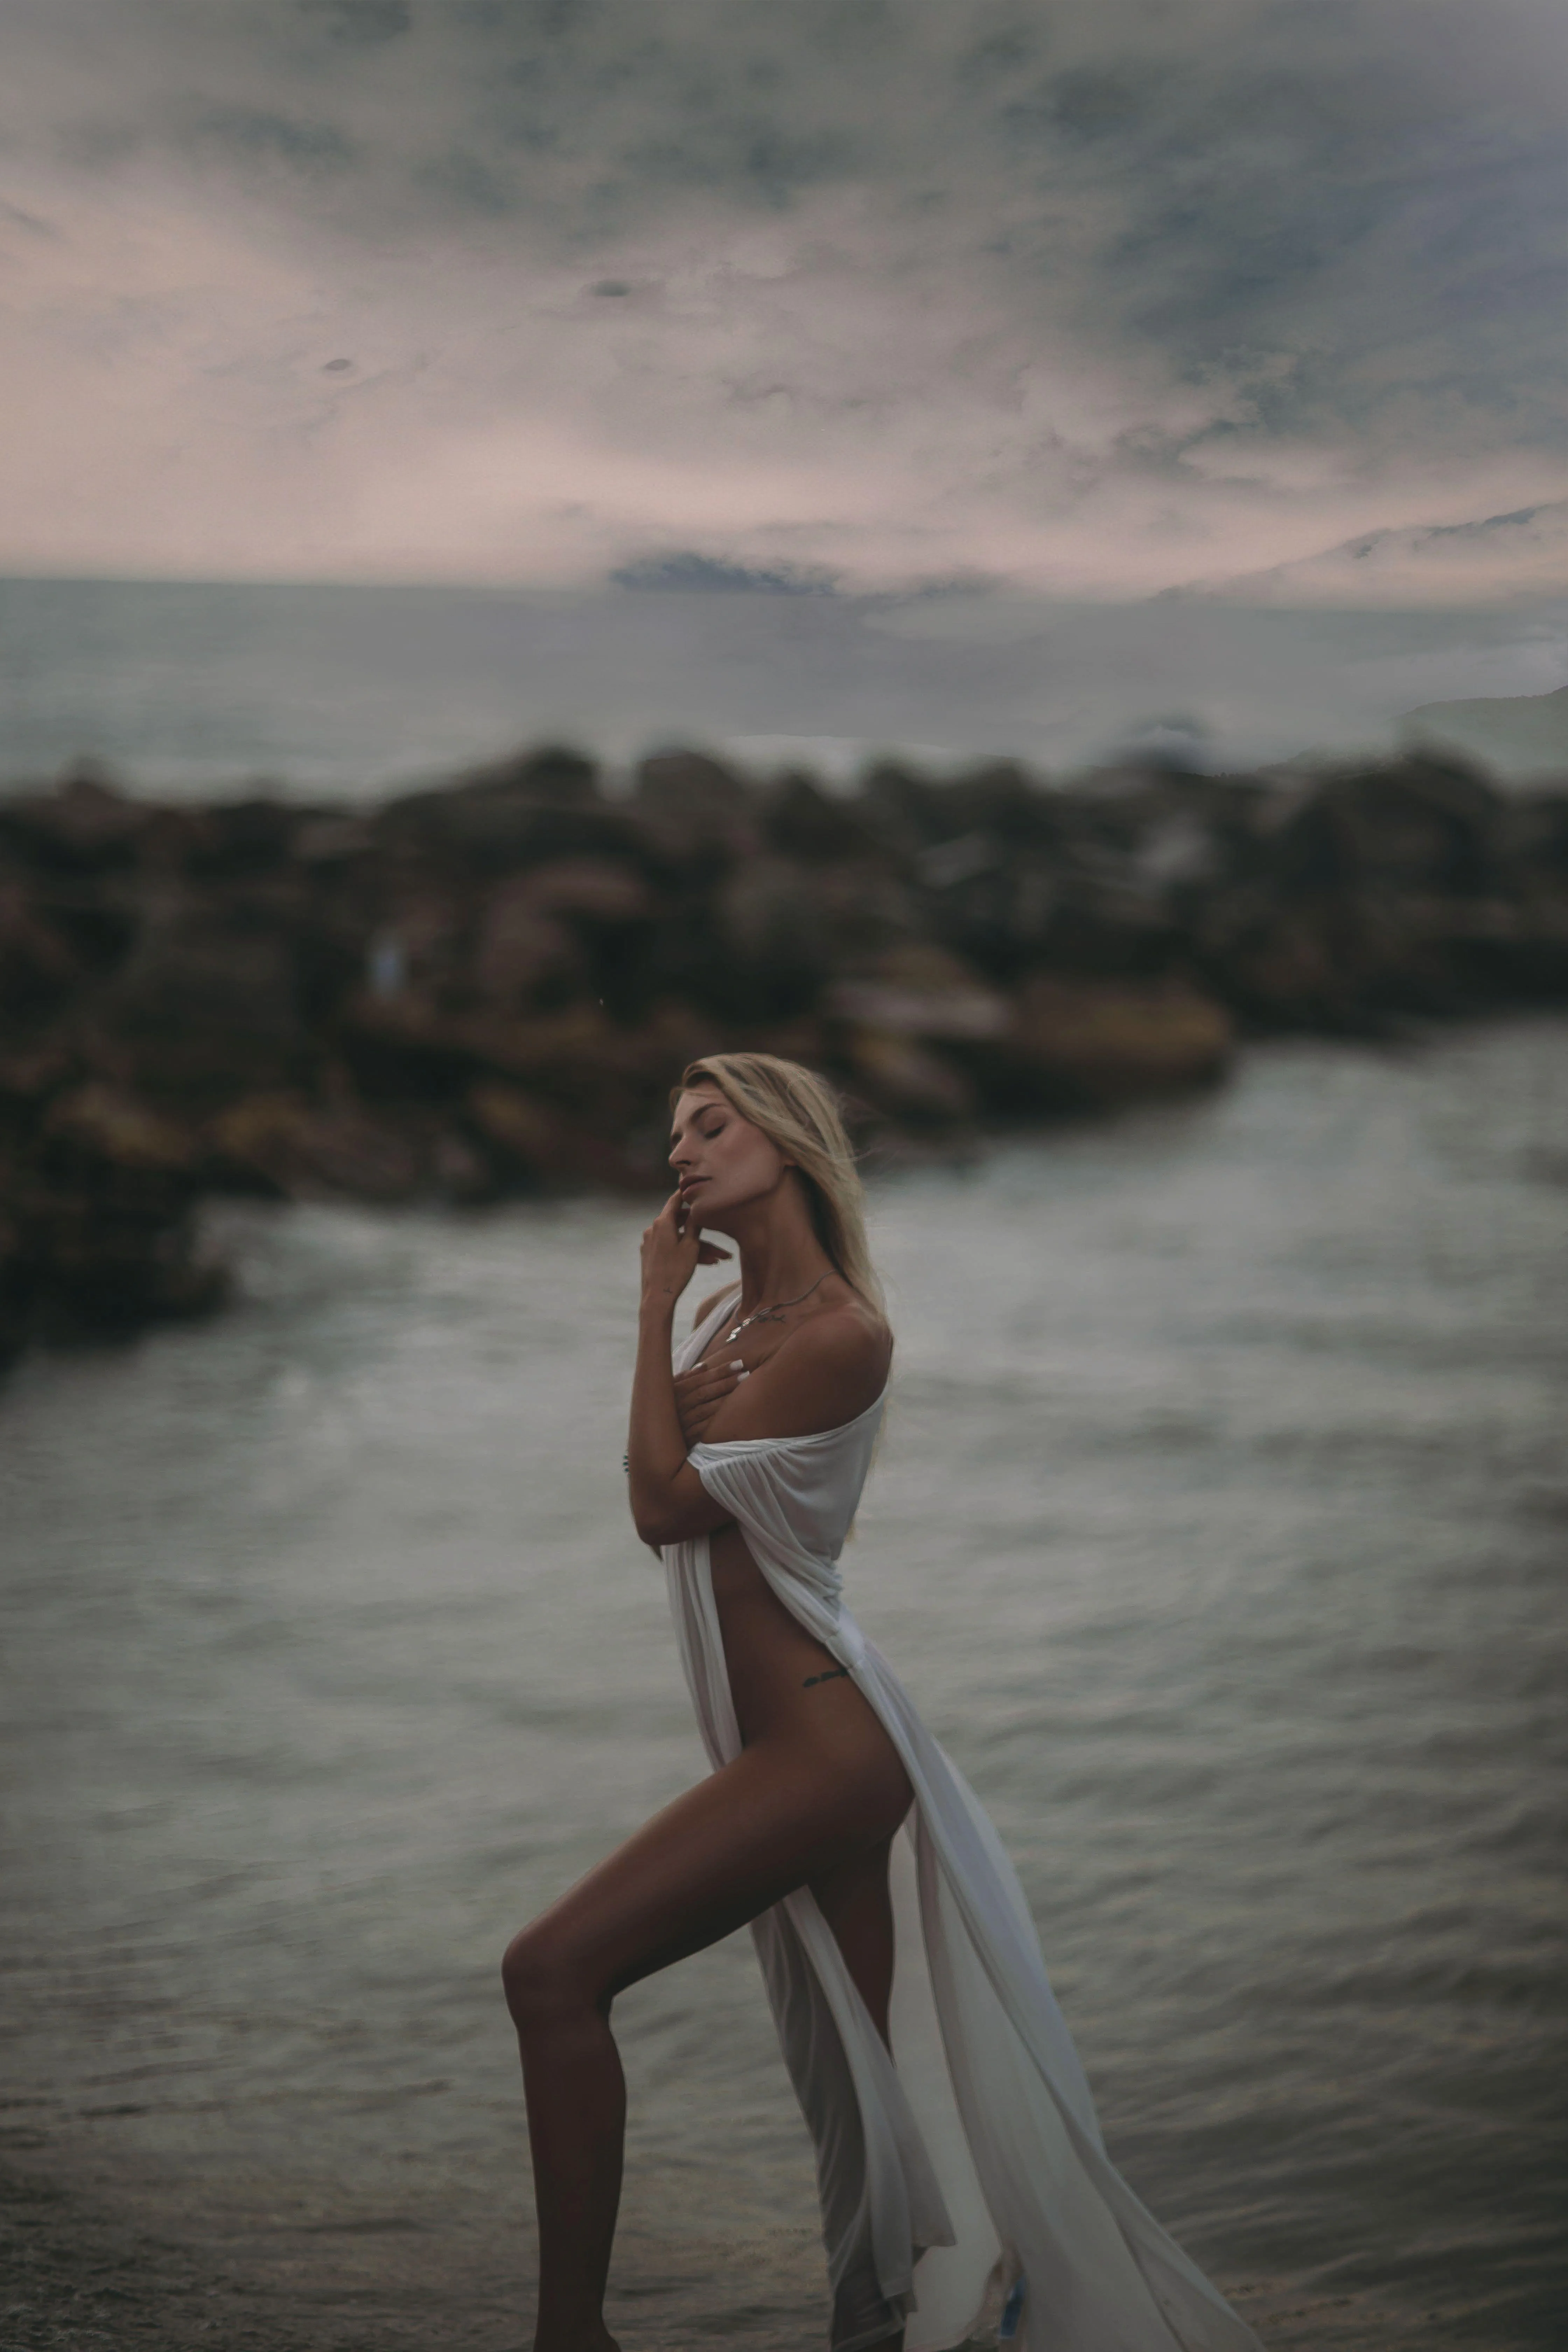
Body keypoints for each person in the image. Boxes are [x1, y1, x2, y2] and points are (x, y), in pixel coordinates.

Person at [502, 1052, 1262, 2352]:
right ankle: (898, 2327)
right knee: (866, 2093)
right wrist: (676, 1338)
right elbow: (664, 1482)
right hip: (804, 1740)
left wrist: (645, 1308)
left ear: (787, 1141)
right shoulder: (733, 1325)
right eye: (670, 1134)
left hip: (825, 1748)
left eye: (709, 1126)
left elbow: (659, 1504)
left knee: (552, 1973)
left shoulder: (844, 1334)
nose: (679, 1154)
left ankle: (570, 2337)